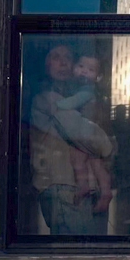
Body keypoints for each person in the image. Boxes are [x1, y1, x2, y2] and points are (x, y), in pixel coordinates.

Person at [28, 44, 114, 235]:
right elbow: (89, 137)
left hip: (91, 190)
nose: (64, 62)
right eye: (56, 57)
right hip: (65, 188)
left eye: (68, 57)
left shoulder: (81, 95)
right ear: (45, 64)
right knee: (77, 258)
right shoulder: (46, 99)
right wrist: (108, 145)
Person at [50, 52, 113, 213]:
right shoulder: (77, 87)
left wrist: (60, 104)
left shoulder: (87, 90)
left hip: (88, 133)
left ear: (98, 77)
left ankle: (100, 190)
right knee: (89, 162)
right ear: (74, 69)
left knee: (85, 161)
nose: (84, 71)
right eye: (81, 66)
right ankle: (92, 188)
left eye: (90, 70)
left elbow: (74, 102)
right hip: (84, 133)